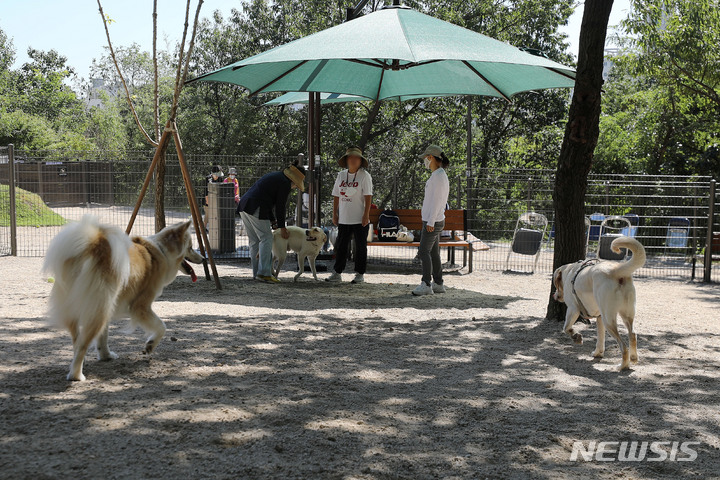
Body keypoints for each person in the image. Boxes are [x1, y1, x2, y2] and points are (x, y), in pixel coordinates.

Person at [236, 162, 306, 283]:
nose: (295, 187)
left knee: (255, 241)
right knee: (266, 238)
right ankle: (264, 274)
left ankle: (257, 273)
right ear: (294, 180)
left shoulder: (277, 177)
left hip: (245, 205)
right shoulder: (284, 183)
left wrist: (273, 221)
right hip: (256, 206)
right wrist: (283, 227)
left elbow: (267, 200)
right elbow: (280, 206)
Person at [326, 146, 373, 284]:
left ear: (361, 160)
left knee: (360, 246)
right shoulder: (341, 175)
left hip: (359, 219)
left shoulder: (365, 176)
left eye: (356, 158)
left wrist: (366, 215)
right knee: (340, 246)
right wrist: (335, 214)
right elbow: (336, 195)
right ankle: (337, 272)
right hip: (344, 218)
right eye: (350, 157)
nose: (353, 160)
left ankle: (360, 273)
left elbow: (368, 196)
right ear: (346, 160)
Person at [413, 145, 450, 296]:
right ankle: (439, 283)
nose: (425, 161)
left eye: (426, 158)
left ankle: (426, 283)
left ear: (432, 158)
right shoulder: (437, 175)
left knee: (423, 251)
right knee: (434, 253)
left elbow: (437, 201)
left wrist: (431, 221)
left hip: (432, 221)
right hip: (432, 219)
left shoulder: (439, 177)